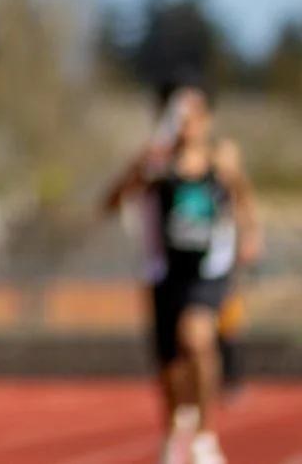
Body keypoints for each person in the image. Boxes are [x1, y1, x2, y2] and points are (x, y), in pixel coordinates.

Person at [102, 82, 262, 464]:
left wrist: (252, 234)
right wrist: (134, 172)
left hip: (207, 272)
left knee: (198, 338)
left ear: (206, 120)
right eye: (179, 116)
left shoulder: (221, 163)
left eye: (194, 115)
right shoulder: (156, 166)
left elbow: (243, 199)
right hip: (163, 272)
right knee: (171, 366)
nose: (187, 124)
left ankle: (206, 437)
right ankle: (177, 429)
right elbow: (110, 204)